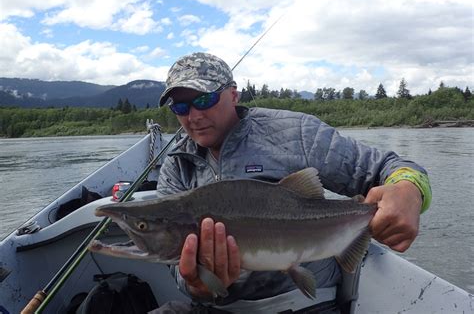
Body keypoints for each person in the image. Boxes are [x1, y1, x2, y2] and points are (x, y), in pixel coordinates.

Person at [155, 52, 432, 311]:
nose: (194, 116)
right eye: (180, 106)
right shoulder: (177, 165)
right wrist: (197, 285)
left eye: (205, 100)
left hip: (306, 304)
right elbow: (174, 266)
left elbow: (389, 167)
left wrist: (409, 189)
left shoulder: (295, 134)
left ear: (233, 95)